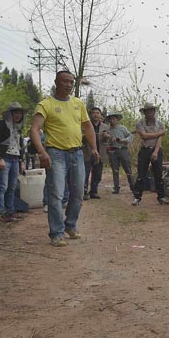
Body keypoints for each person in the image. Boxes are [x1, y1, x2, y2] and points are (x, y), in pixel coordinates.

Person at [30, 70, 99, 247]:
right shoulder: (46, 104)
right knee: (56, 194)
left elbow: (88, 127)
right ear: (56, 82)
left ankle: (70, 225)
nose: (68, 85)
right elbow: (35, 130)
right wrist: (42, 152)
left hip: (77, 153)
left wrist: (94, 148)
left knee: (78, 194)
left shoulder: (78, 104)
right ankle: (56, 233)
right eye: (65, 81)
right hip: (56, 154)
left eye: (71, 82)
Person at [0, 102, 27, 222]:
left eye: (20, 113)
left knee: (12, 187)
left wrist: (21, 160)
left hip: (15, 158)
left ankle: (10, 212)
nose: (18, 115)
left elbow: (19, 145)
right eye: (15, 112)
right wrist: (0, 158)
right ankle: (0, 211)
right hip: (4, 158)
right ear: (9, 114)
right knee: (2, 186)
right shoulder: (1, 125)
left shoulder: (17, 128)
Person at [131, 102, 169, 206]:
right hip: (144, 150)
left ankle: (161, 197)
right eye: (147, 111)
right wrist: (159, 133)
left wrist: (156, 152)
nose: (149, 113)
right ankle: (137, 197)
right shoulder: (140, 123)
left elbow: (159, 140)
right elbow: (144, 136)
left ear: (154, 111)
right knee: (141, 174)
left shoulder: (160, 124)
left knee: (158, 174)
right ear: (144, 112)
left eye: (151, 111)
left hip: (156, 149)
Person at [103, 113, 134, 194]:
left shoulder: (123, 128)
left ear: (117, 120)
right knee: (115, 170)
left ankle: (133, 186)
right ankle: (116, 187)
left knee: (128, 169)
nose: (112, 120)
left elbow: (130, 136)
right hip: (112, 151)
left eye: (113, 119)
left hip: (123, 149)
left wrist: (124, 140)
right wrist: (107, 138)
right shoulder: (107, 130)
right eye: (110, 119)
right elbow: (104, 140)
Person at [82, 107, 108, 200]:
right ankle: (84, 192)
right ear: (90, 115)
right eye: (94, 113)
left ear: (100, 115)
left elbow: (108, 140)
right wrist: (86, 136)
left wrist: (106, 136)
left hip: (100, 152)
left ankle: (93, 191)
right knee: (85, 173)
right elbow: (80, 138)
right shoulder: (84, 126)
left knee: (97, 174)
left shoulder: (105, 127)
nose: (96, 115)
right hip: (88, 152)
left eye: (98, 113)